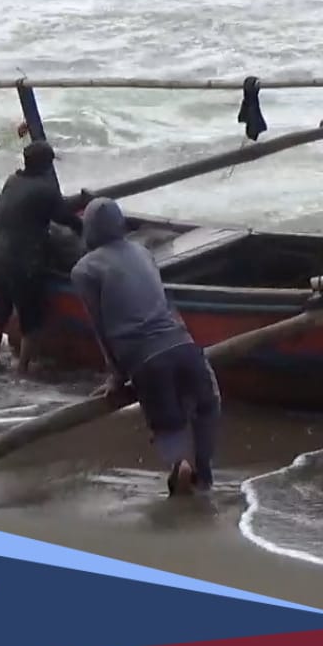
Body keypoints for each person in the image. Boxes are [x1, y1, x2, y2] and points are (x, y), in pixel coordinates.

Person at [70, 197, 221, 496]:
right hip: (183, 345)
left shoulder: (84, 270)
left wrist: (116, 376)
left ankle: (180, 465)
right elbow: (166, 303)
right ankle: (203, 473)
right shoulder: (142, 251)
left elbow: (100, 327)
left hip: (144, 358)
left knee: (168, 425)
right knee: (207, 405)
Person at [0, 139, 83, 374]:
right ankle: (22, 370)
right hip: (22, 265)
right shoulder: (45, 189)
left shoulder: (12, 181)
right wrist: (84, 230)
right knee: (32, 321)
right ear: (47, 165)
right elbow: (65, 218)